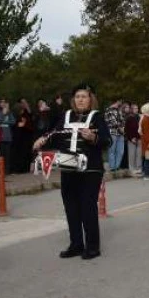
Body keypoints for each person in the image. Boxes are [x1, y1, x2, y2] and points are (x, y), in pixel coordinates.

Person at [33, 83, 111, 260]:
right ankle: (76, 244)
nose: (80, 99)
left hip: (90, 169)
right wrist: (42, 140)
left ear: (90, 99)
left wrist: (93, 137)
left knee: (87, 206)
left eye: (84, 96)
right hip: (68, 168)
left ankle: (92, 247)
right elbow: (54, 133)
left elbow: (107, 141)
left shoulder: (96, 117)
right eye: (77, 97)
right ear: (73, 100)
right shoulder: (66, 115)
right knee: (71, 207)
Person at [12, 99, 34, 174]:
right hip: (19, 137)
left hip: (26, 135)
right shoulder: (15, 115)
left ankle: (25, 168)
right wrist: (19, 125)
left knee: (26, 152)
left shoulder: (26, 114)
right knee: (19, 153)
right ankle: (18, 169)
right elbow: (15, 125)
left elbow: (30, 118)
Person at [104, 99, 126, 172]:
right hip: (112, 133)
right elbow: (113, 122)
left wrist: (123, 128)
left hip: (120, 133)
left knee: (120, 151)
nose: (121, 103)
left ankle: (117, 166)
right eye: (121, 101)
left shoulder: (119, 110)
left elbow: (123, 120)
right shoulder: (109, 110)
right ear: (117, 101)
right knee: (112, 150)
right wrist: (121, 128)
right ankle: (112, 167)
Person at [0, 98, 14, 165]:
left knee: (7, 154)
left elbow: (13, 121)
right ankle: (0, 170)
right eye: (1, 102)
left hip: (7, 136)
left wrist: (9, 112)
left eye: (4, 102)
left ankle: (7, 170)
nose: (3, 103)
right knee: (0, 154)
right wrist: (3, 114)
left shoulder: (9, 112)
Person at [125, 102, 142, 176]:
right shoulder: (129, 118)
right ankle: (132, 169)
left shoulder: (139, 117)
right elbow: (127, 130)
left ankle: (139, 168)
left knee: (139, 154)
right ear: (131, 110)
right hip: (131, 138)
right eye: (135, 108)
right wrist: (131, 138)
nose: (136, 110)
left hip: (139, 138)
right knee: (132, 154)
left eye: (137, 108)